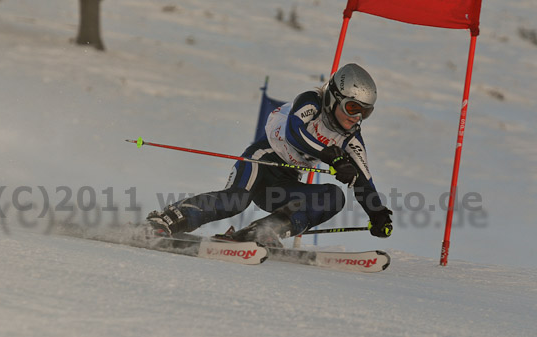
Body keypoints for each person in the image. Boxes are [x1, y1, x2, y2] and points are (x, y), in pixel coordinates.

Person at [144, 63, 393, 246]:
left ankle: (262, 232)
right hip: (260, 161)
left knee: (333, 196)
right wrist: (332, 157)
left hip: (284, 182)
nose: (356, 117)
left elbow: (363, 179)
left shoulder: (351, 138)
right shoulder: (311, 102)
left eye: (365, 112)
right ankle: (166, 220)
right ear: (334, 98)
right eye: (352, 107)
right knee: (235, 201)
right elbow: (295, 132)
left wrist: (377, 213)